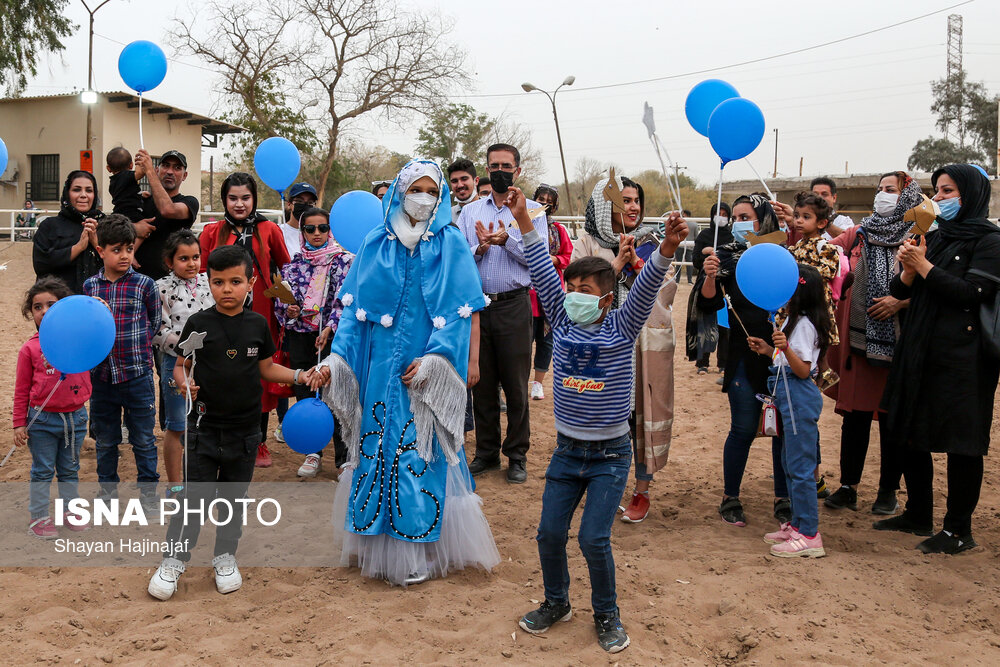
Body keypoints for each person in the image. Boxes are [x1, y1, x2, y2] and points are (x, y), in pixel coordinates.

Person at [516, 185, 688, 652]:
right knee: (549, 534)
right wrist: (524, 219)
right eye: (571, 289)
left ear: (607, 299)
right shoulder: (562, 318)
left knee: (594, 539)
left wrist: (668, 246)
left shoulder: (622, 323)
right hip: (567, 453)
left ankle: (607, 615)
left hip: (610, 455)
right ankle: (557, 602)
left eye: (585, 291)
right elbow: (537, 265)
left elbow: (649, 282)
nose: (573, 296)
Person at [319, 159, 499, 586]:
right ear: (399, 192)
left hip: (421, 369)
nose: (423, 199)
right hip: (379, 368)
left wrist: (436, 361)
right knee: (376, 447)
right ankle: (371, 542)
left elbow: (459, 313)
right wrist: (337, 360)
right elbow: (354, 313)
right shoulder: (375, 242)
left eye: (431, 192)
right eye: (415, 189)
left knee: (419, 452)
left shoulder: (450, 242)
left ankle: (416, 548)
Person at [148, 245, 327, 600]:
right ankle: (174, 560)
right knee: (194, 500)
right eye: (218, 282)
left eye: (235, 281)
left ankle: (225, 556)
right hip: (203, 429)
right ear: (209, 283)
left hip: (245, 431)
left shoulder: (258, 325)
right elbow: (181, 365)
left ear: (251, 282)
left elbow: (266, 369)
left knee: (233, 499)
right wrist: (185, 384)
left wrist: (299, 375)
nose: (226, 289)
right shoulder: (199, 324)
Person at [874, 164, 1000, 554]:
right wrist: (909, 271)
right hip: (921, 349)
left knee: (963, 442)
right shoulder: (938, 235)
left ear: (971, 194)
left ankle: (958, 530)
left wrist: (923, 267)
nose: (940, 199)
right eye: (938, 191)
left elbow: (970, 292)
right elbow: (900, 287)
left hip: (964, 358)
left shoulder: (990, 241)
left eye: (948, 192)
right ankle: (918, 513)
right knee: (909, 428)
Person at [571, 174, 677, 524]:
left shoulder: (653, 241)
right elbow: (576, 295)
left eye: (636, 201)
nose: (633, 207)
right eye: (624, 200)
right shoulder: (587, 244)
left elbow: (665, 289)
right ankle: (604, 485)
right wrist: (614, 265)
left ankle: (642, 490)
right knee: (604, 415)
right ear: (605, 205)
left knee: (640, 415)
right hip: (600, 348)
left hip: (642, 348)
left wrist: (636, 264)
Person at [823, 172, 919, 514]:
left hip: (899, 345)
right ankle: (849, 486)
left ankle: (887, 492)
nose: (882, 196)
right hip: (858, 345)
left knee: (892, 420)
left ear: (907, 195)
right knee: (856, 416)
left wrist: (900, 302)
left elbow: (932, 283)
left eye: (890, 190)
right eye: (879, 190)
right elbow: (820, 254)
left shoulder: (920, 235)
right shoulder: (860, 233)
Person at [699, 194, 790, 526]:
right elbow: (708, 306)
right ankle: (730, 497)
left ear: (763, 218)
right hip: (741, 354)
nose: (737, 222)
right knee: (742, 428)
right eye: (734, 216)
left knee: (780, 430)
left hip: (781, 355)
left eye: (745, 216)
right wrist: (710, 276)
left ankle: (784, 498)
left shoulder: (783, 255)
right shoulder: (723, 257)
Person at [457, 143, 545, 484]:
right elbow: (462, 257)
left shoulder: (533, 210)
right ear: (487, 169)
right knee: (482, 384)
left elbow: (535, 257)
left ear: (517, 171)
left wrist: (505, 240)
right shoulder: (469, 212)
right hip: (479, 306)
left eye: (506, 166)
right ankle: (487, 452)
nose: (500, 171)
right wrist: (480, 247)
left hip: (514, 304)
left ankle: (517, 455)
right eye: (494, 165)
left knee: (515, 384)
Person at [199, 172, 291, 468]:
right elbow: (201, 274)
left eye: (245, 198)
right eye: (233, 198)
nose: (239, 204)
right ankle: (220, 440)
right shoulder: (211, 231)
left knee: (258, 375)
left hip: (260, 312)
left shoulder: (270, 229)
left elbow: (286, 270)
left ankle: (258, 441)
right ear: (224, 200)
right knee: (224, 370)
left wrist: (291, 304)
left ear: (254, 199)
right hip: (219, 314)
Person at [747, 264, 836, 557]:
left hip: (797, 395)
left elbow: (802, 370)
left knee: (800, 467)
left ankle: (809, 534)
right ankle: (797, 526)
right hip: (788, 394)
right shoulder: (793, 321)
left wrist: (784, 349)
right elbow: (787, 360)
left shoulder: (806, 324)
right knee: (790, 463)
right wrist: (767, 349)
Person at [83, 214, 162, 506]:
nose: (125, 255)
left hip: (137, 375)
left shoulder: (144, 285)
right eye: (116, 250)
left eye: (129, 248)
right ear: (100, 250)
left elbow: (154, 324)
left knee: (143, 439)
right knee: (106, 441)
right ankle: (108, 495)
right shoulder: (90, 287)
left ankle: (149, 497)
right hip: (102, 377)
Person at [274, 207, 352, 477]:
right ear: (303, 231)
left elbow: (346, 300)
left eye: (322, 228)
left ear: (330, 230)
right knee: (306, 391)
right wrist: (290, 311)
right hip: (301, 337)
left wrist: (330, 328)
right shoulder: (295, 264)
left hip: (331, 339)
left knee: (336, 395)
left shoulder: (343, 261)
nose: (316, 233)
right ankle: (312, 452)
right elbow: (282, 301)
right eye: (310, 228)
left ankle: (343, 459)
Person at [13, 277, 92, 538]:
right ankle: (39, 516)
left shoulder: (79, 340)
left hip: (77, 419)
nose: (44, 311)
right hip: (43, 421)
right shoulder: (30, 349)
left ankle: (70, 510)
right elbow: (21, 389)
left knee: (70, 469)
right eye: (37, 306)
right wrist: (18, 423)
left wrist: (99, 308)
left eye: (51, 304)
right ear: (31, 313)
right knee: (43, 470)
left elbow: (97, 333)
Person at [152, 230, 214, 497]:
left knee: (207, 422)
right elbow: (157, 329)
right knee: (177, 424)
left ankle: (202, 482)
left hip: (210, 363)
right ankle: (175, 484)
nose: (191, 263)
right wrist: (185, 348)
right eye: (184, 258)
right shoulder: (160, 288)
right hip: (174, 363)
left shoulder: (209, 283)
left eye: (196, 257)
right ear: (169, 261)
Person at [529, 184, 573, 400]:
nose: (543, 202)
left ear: (554, 205)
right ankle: (518, 379)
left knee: (546, 340)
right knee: (523, 340)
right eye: (540, 198)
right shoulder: (521, 225)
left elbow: (567, 255)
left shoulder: (559, 230)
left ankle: (538, 383)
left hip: (550, 293)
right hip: (527, 294)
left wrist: (552, 259)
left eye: (548, 200)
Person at [32, 171, 104, 293]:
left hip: (97, 303)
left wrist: (96, 242)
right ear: (67, 193)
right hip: (59, 300)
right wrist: (78, 247)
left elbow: (119, 262)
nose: (83, 195)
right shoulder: (50, 226)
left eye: (89, 190)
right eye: (76, 190)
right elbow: (41, 264)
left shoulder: (105, 224)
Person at [132, 149, 199, 280]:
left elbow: (168, 210)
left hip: (172, 286)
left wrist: (149, 172)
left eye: (177, 168)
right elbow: (117, 228)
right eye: (166, 165)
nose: (169, 172)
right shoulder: (142, 201)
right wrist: (134, 227)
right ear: (158, 170)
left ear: (184, 175)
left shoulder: (189, 202)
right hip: (138, 282)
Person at [686, 203, 732, 377]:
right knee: (704, 321)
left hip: (726, 284)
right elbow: (696, 261)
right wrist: (705, 252)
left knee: (725, 325)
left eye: (724, 214)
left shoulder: (731, 236)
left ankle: (723, 363)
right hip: (705, 282)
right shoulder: (705, 235)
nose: (720, 216)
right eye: (717, 213)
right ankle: (702, 362)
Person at [279, 182, 319, 261]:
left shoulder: (318, 233)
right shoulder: (279, 232)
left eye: (310, 202)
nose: (305, 205)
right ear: (289, 204)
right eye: (300, 201)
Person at [105, 146, 146, 223]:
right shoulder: (126, 176)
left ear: (108, 168)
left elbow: (125, 194)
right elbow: (140, 173)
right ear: (131, 165)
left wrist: (141, 194)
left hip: (119, 213)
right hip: (131, 213)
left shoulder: (113, 182)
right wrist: (140, 161)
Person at [447, 158, 480, 223]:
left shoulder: (491, 210)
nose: (460, 185)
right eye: (454, 181)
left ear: (476, 181)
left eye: (464, 179)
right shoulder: (446, 217)